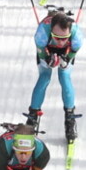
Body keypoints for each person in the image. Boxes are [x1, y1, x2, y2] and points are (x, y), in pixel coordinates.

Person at [25, 8, 81, 145]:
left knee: (64, 76)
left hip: (65, 52)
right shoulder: (42, 33)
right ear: (51, 31)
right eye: (57, 38)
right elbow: (41, 52)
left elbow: (73, 50)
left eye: (64, 38)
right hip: (46, 49)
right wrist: (47, 59)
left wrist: (66, 60)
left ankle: (70, 119)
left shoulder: (77, 35)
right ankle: (33, 117)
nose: (61, 41)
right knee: (44, 77)